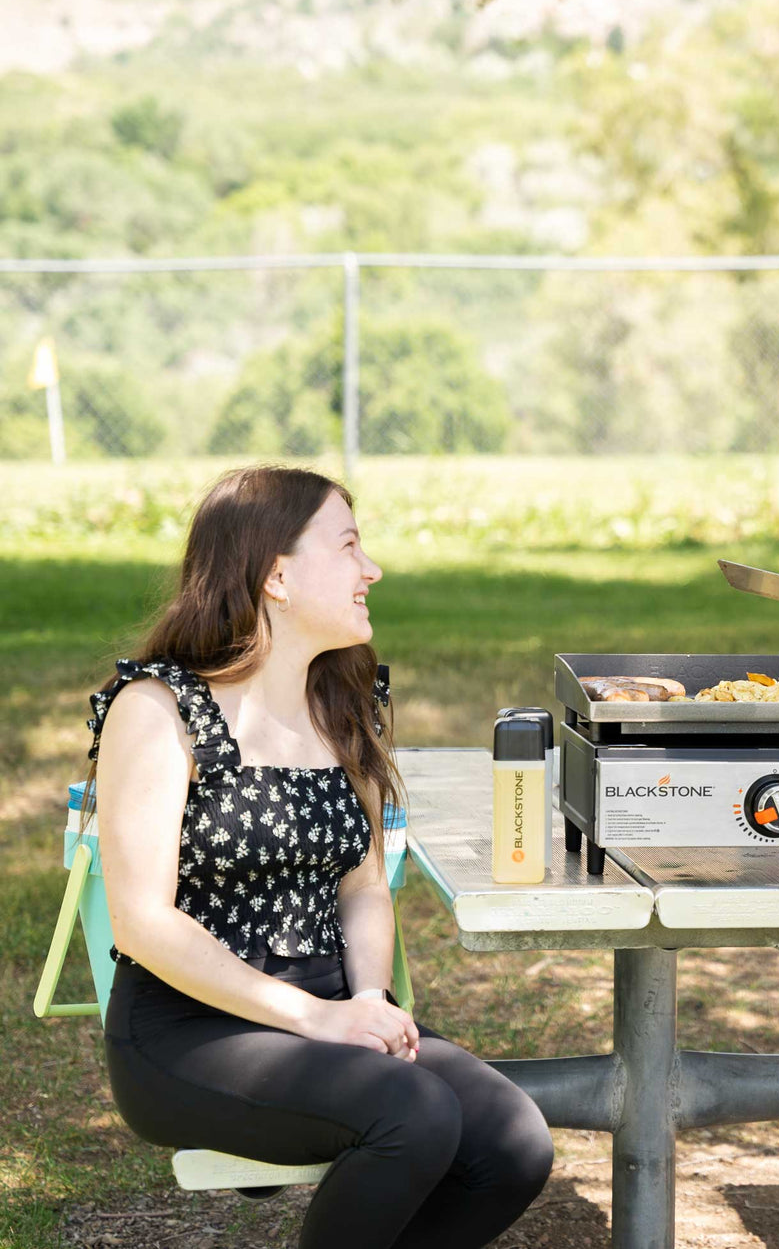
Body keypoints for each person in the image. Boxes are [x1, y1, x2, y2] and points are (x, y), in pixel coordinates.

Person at [86, 465, 553, 1249]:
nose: (372, 569)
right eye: (349, 545)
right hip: (189, 1030)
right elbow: (140, 923)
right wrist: (319, 1019)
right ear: (277, 575)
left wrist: (368, 1001)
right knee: (415, 1114)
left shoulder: (342, 704)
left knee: (514, 1144)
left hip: (333, 1010)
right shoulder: (158, 709)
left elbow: (365, 884)